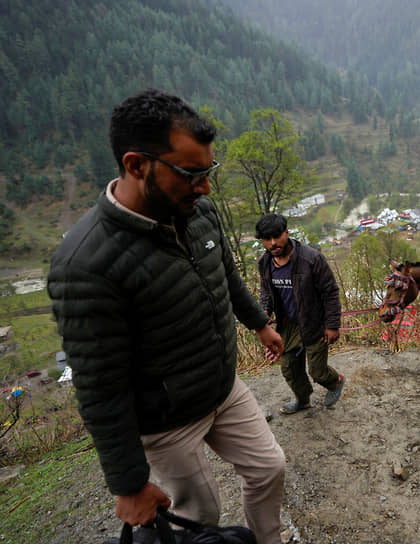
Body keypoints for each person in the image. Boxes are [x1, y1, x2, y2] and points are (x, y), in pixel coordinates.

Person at [47, 89, 286, 544]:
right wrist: (129, 484)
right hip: (165, 418)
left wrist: (259, 323)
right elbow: (99, 386)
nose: (206, 187)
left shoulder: (198, 212)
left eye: (208, 171)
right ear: (137, 165)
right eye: (192, 174)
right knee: (200, 512)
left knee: (269, 467)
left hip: (222, 387)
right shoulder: (85, 265)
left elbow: (226, 276)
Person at [256, 213, 344, 415]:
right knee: (289, 368)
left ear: (286, 232)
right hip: (288, 325)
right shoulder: (265, 263)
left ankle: (335, 381)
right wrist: (264, 313)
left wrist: (332, 325)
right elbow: (267, 292)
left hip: (315, 322)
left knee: (317, 371)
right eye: (267, 239)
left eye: (277, 236)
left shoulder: (310, 259)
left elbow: (330, 291)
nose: (273, 243)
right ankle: (303, 400)